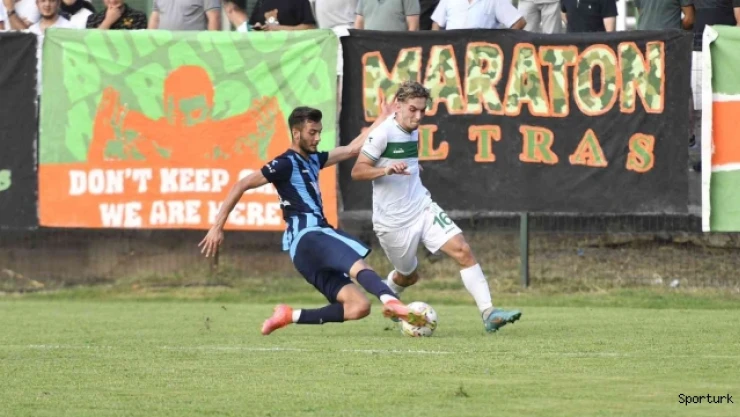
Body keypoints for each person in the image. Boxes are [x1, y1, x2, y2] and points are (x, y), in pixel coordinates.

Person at [199, 103, 427, 336]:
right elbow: (242, 183)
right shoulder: (285, 163)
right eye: (312, 133)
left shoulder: (313, 160)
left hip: (303, 253)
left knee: (358, 307)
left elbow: (352, 149)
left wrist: (382, 119)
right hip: (310, 234)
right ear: (296, 133)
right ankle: (392, 301)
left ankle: (289, 315)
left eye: (319, 132)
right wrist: (217, 227)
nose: (317, 138)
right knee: (359, 266)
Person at [350, 81, 522, 334]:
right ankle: (391, 295)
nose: (418, 116)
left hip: (422, 207)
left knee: (462, 250)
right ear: (398, 105)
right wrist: (386, 170)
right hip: (393, 222)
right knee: (409, 276)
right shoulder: (383, 133)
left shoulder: (413, 130)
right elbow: (357, 171)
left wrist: (412, 166)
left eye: (423, 110)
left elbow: (404, 159)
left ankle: (489, 313)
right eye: (413, 109)